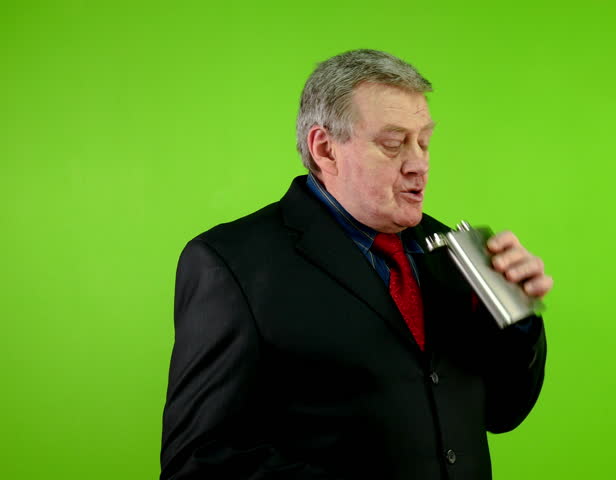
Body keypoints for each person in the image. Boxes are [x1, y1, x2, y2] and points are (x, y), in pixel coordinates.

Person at [160, 49, 553, 480]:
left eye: (424, 140)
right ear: (325, 149)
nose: (419, 163)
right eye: (393, 143)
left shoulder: (452, 250)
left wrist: (517, 319)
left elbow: (502, 412)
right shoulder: (231, 264)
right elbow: (198, 463)